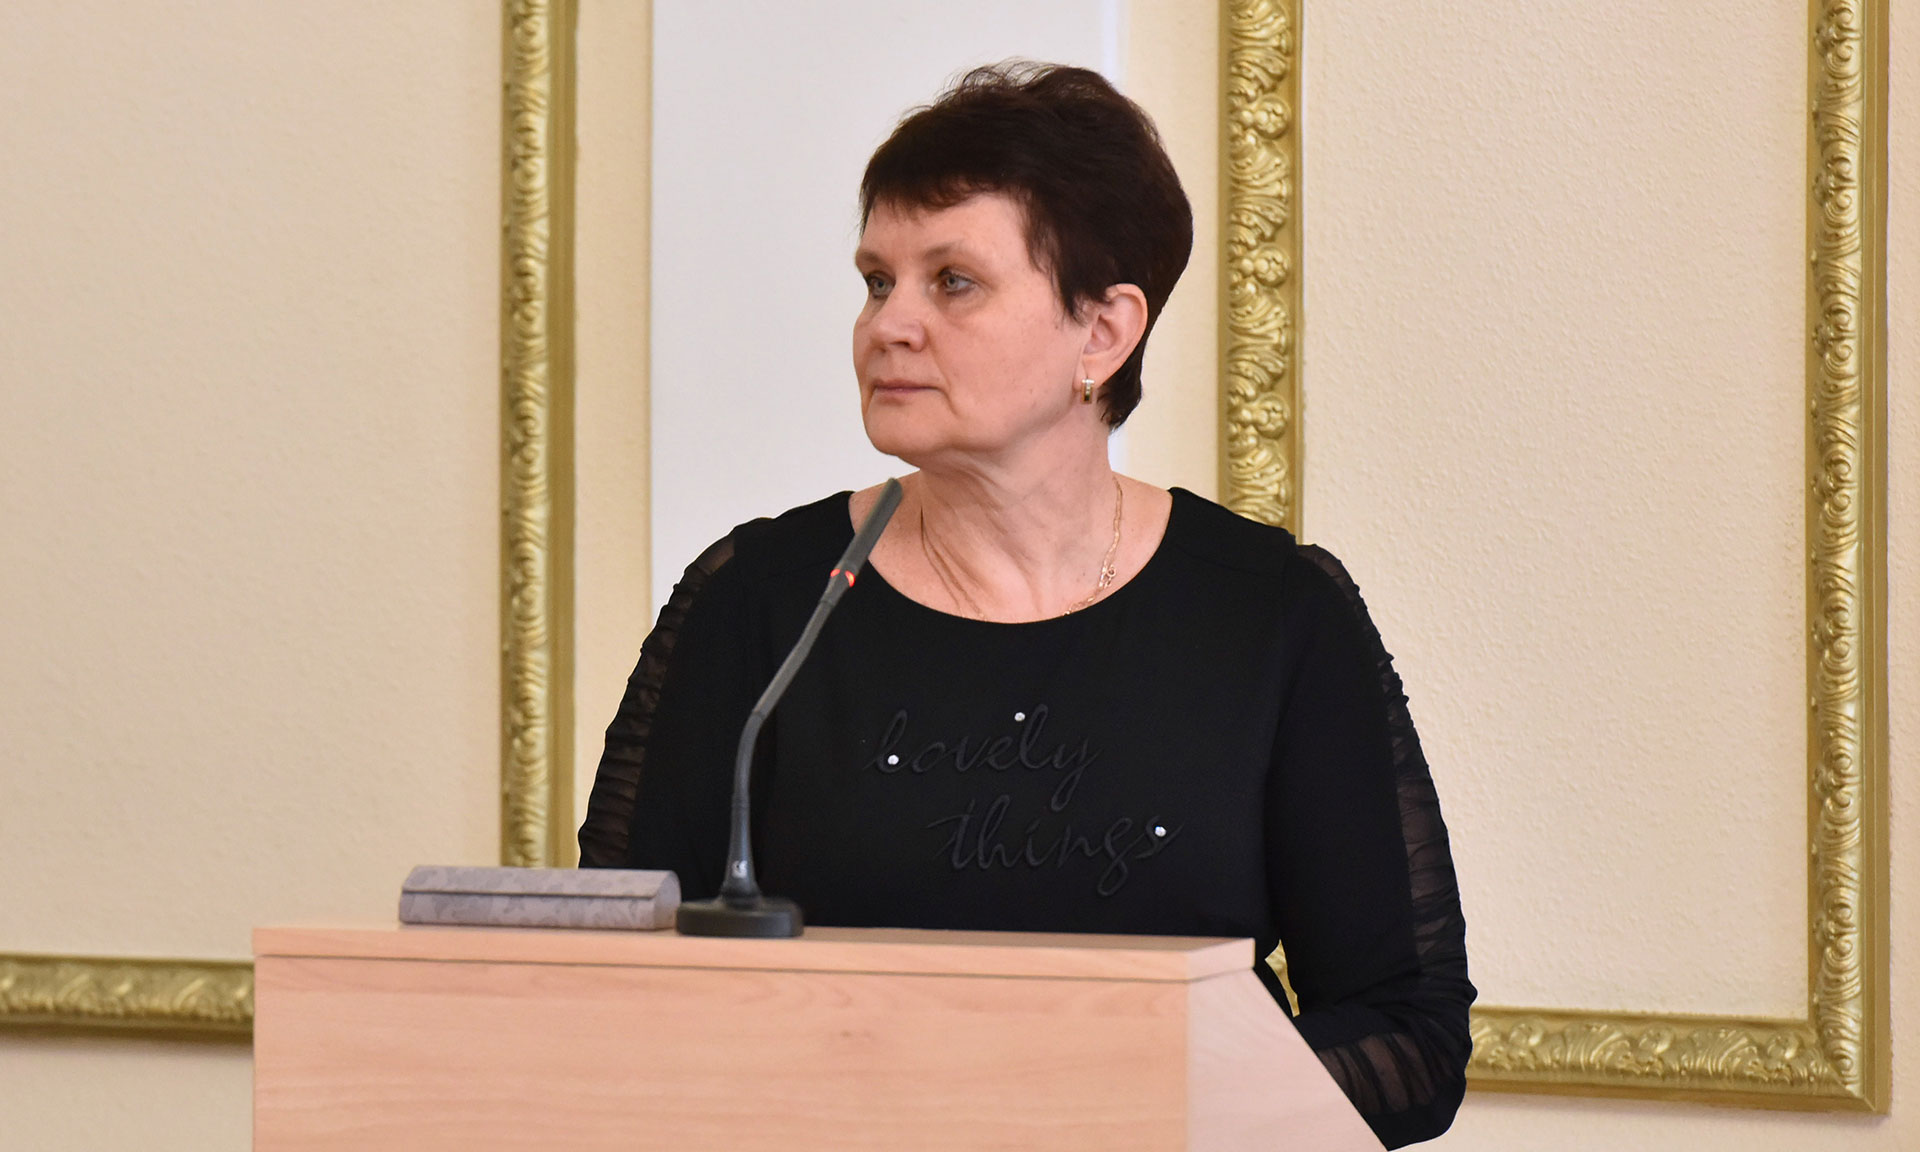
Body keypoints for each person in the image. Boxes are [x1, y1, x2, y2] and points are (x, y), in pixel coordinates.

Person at [579, 63, 1474, 1148]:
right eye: (877, 281)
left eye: (952, 281)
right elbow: (612, 991)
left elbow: (1408, 1037)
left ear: (1103, 332)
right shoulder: (759, 601)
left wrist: (1103, 1111)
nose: (889, 325)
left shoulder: (1274, 615)